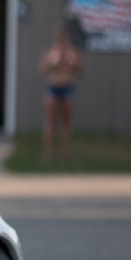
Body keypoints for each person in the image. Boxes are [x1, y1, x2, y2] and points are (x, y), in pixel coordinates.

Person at [38, 24, 84, 163]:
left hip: (68, 87)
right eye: (59, 36)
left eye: (64, 36)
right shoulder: (49, 51)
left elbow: (81, 71)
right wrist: (54, 64)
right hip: (52, 87)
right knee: (51, 123)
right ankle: (48, 153)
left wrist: (72, 65)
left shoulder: (73, 52)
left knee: (66, 123)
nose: (62, 39)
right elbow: (42, 68)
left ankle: (65, 153)